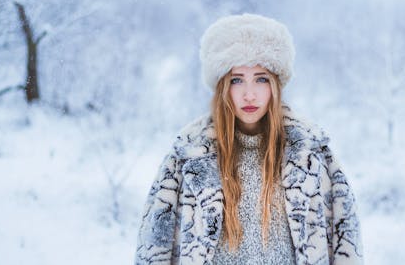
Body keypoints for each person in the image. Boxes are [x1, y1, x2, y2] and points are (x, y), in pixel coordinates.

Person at [135, 13, 363, 265]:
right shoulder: (188, 157)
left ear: (276, 84)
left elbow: (346, 244)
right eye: (237, 80)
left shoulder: (311, 155)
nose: (250, 94)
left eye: (261, 79)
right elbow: (153, 248)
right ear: (222, 86)